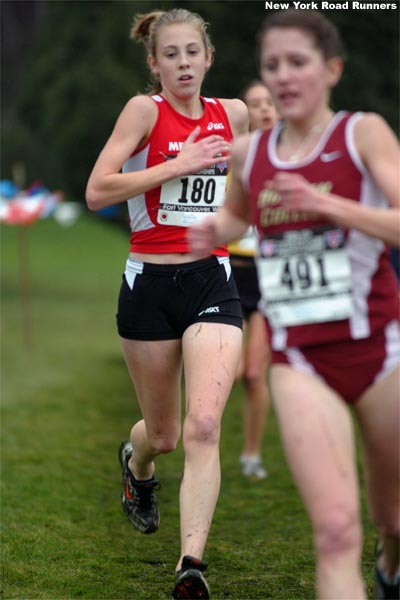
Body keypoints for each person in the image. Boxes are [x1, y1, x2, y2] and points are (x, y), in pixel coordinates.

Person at [188, 9, 400, 600]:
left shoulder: (364, 133)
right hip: (300, 357)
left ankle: (391, 567)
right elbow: (238, 215)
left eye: (298, 62)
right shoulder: (250, 154)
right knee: (334, 534)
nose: (283, 76)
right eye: (272, 64)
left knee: (394, 520)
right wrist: (216, 228)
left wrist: (329, 206)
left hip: (382, 352)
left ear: (331, 69)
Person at [85, 8, 248, 599]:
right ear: (154, 64)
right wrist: (175, 166)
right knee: (165, 434)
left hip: (212, 280)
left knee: (204, 424)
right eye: (171, 54)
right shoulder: (142, 113)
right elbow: (97, 189)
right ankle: (137, 463)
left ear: (209, 57)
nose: (183, 64)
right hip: (149, 287)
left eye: (192, 53)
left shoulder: (233, 115)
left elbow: (245, 190)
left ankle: (190, 565)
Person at [228, 81, 279, 479]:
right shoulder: (235, 158)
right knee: (228, 370)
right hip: (230, 271)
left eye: (269, 103)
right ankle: (197, 440)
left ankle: (251, 453)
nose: (262, 109)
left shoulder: (291, 161)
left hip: (266, 277)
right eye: (255, 104)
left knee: (252, 373)